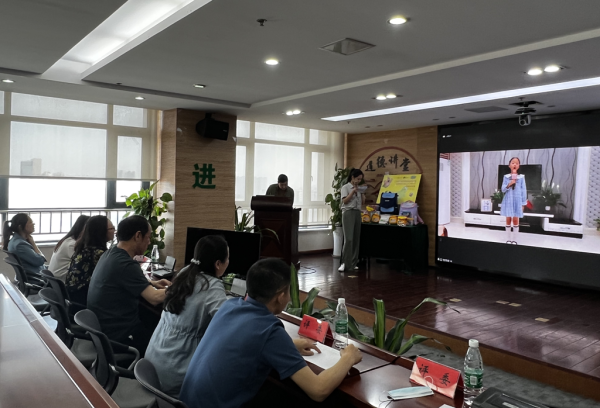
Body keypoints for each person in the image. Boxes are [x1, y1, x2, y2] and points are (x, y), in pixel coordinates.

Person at [179, 258, 363, 408]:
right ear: (280, 296)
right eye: (289, 291)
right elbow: (318, 390)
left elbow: (245, 342)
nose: (290, 297)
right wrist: (348, 358)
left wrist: (290, 345)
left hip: (185, 402)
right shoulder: (269, 329)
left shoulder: (229, 306)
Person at [145, 235, 230, 397]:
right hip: (176, 369)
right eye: (228, 258)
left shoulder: (185, 273)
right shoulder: (212, 286)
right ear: (218, 264)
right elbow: (227, 323)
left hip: (152, 361)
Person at [87, 215, 169, 356]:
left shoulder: (110, 253)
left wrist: (151, 283)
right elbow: (155, 298)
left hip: (103, 330)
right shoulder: (125, 264)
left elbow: (121, 280)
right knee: (164, 338)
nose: (149, 242)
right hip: (119, 336)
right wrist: (181, 287)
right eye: (148, 237)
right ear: (138, 236)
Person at [65, 215, 115, 308]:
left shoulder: (83, 248)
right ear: (101, 231)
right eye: (112, 228)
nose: (114, 231)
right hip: (83, 301)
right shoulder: (97, 253)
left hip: (73, 298)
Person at [2, 213, 46, 278]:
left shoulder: (15, 241)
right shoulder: (20, 244)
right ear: (20, 227)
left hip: (35, 274)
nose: (33, 224)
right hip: (36, 278)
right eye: (30, 222)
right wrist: (33, 244)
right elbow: (40, 261)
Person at [48, 215, 90, 282]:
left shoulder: (68, 240)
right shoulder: (71, 244)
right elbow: (82, 263)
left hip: (56, 280)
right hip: (61, 281)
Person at [338, 169, 365, 272]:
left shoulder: (359, 188)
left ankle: (353, 263)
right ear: (352, 177)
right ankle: (344, 263)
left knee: (356, 239)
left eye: (360, 179)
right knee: (349, 238)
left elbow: (362, 202)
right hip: (348, 212)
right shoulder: (345, 187)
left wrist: (362, 193)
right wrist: (353, 191)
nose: (359, 181)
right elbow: (345, 201)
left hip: (357, 213)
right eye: (358, 179)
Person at [501, 157, 527, 245]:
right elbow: (503, 189)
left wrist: (523, 204)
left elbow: (524, 191)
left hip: (517, 200)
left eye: (517, 163)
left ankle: (515, 239)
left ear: (519, 166)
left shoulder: (522, 177)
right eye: (513, 163)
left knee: (516, 219)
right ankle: (508, 239)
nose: (515, 164)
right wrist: (510, 184)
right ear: (509, 165)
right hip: (508, 199)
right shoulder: (506, 177)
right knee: (508, 218)